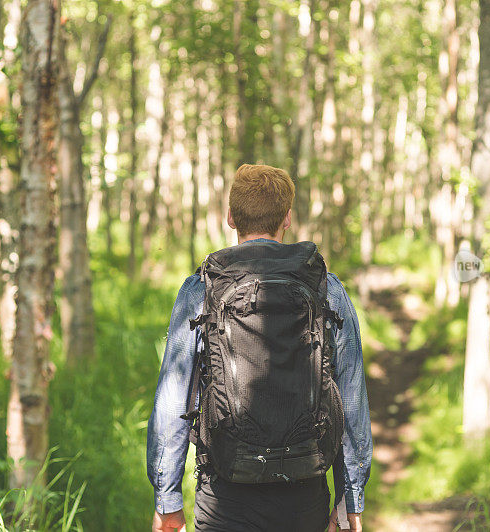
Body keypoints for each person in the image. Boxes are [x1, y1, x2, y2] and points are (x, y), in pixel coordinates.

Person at [147, 164, 372, 532]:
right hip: (304, 492)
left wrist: (168, 499)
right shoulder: (326, 288)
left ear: (231, 217)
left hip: (224, 495)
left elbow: (174, 401)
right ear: (286, 219)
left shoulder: (201, 289)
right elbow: (350, 399)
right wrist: (351, 500)